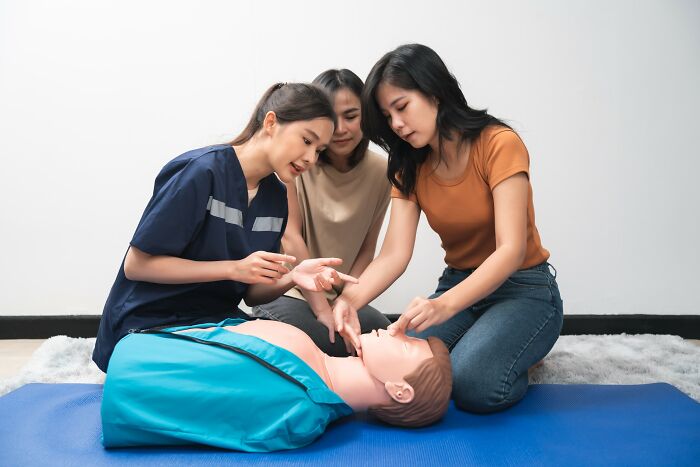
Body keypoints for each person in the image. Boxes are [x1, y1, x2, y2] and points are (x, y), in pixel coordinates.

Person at [332, 44, 564, 413]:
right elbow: (394, 253)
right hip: (457, 283)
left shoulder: (498, 143)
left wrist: (443, 307)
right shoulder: (408, 165)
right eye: (386, 115)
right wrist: (347, 301)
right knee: (403, 371)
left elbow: (510, 249)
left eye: (402, 106)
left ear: (435, 93)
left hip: (523, 288)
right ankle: (486, 342)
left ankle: (523, 354)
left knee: (472, 385)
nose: (396, 124)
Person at [93, 82, 356, 372]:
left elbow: (252, 293)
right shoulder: (201, 171)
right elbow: (138, 265)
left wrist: (294, 276)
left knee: (294, 344)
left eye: (319, 150)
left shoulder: (276, 197)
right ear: (271, 123)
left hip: (212, 321)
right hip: (148, 323)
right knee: (260, 369)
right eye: (307, 141)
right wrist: (233, 268)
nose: (311, 159)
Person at [101, 318, 452, 452]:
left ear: (400, 390)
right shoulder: (312, 368)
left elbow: (212, 413)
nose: (392, 329)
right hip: (139, 354)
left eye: (406, 344)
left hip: (131, 383)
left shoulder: (301, 413)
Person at [252, 69, 391, 356]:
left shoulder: (382, 172)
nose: (340, 129)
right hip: (290, 292)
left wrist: (346, 303)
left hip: (340, 297)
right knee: (338, 343)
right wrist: (322, 309)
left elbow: (368, 248)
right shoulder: (298, 161)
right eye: (332, 120)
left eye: (351, 116)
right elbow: (291, 237)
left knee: (382, 333)